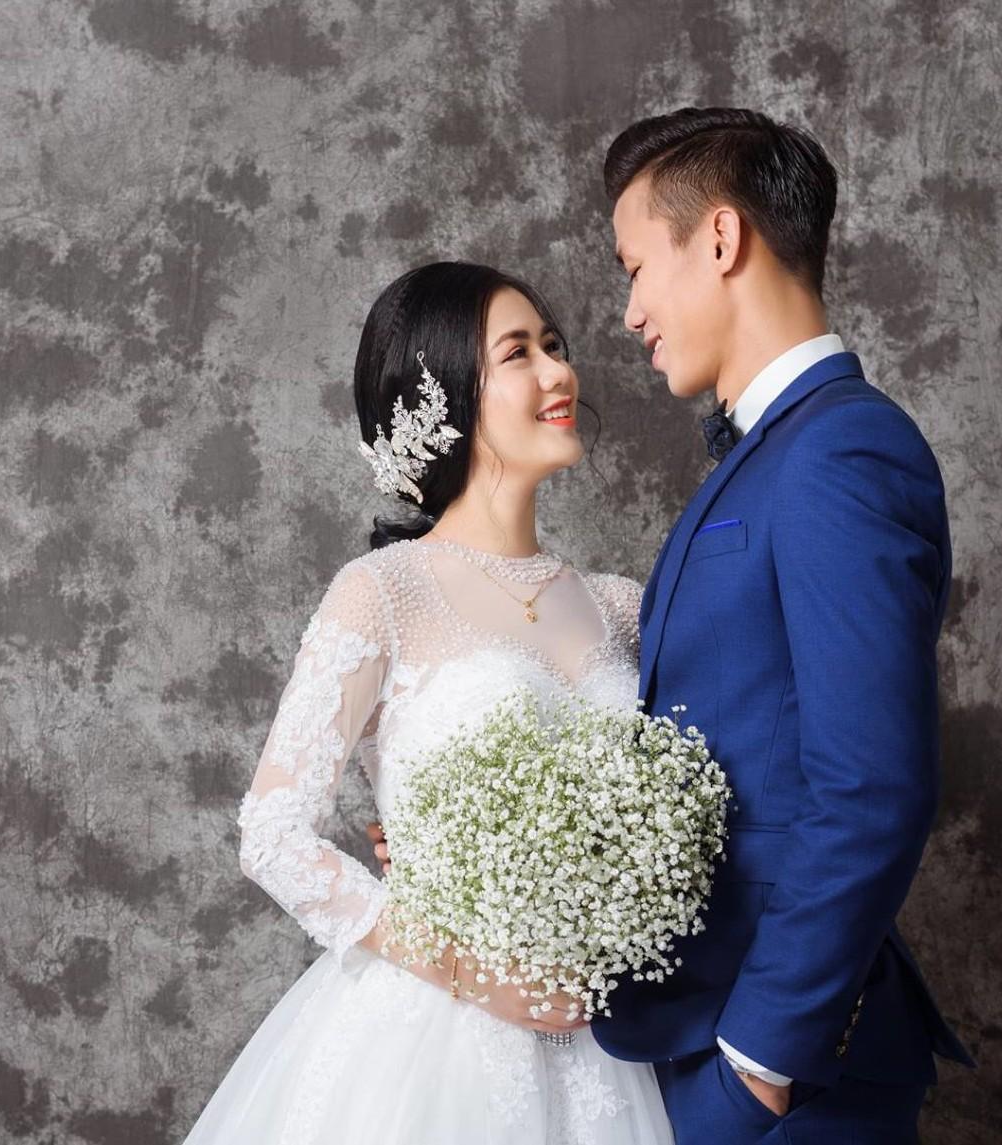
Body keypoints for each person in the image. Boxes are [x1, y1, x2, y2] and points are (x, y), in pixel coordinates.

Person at [180, 261, 676, 1144]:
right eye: (518, 354)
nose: (559, 372)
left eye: (554, 345)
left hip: (604, 1044)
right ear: (442, 393)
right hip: (434, 1038)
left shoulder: (621, 607)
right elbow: (272, 833)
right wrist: (476, 972)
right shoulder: (383, 591)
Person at [583, 106, 977, 1144]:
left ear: (719, 238)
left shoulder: (841, 451)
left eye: (635, 268)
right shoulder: (777, 452)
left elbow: (872, 786)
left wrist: (757, 1069)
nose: (629, 311)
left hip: (782, 1074)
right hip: (699, 1034)